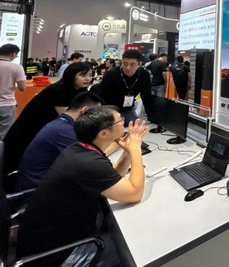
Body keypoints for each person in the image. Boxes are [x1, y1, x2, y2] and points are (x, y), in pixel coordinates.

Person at [17, 106, 148, 266]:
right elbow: (134, 193)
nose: (124, 123)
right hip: (60, 255)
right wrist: (135, 149)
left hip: (51, 240)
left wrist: (127, 151)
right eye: (120, 121)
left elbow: (113, 177)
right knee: (135, 252)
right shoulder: (88, 163)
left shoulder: (80, 149)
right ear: (103, 133)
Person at [3, 62, 93, 173]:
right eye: (83, 75)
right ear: (71, 75)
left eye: (90, 75)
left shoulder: (79, 89)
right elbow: (68, 117)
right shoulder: (60, 90)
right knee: (18, 158)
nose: (87, 78)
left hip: (46, 126)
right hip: (32, 127)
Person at [16, 92, 104, 191]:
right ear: (84, 110)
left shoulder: (62, 124)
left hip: (41, 182)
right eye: (95, 115)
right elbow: (89, 161)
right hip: (37, 190)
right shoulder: (64, 131)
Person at [99, 50, 151, 125]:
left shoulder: (144, 74)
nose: (128, 67)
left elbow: (146, 96)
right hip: (110, 110)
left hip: (128, 109)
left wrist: (151, 117)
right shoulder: (111, 74)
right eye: (125, 63)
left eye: (132, 64)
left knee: (134, 127)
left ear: (139, 64)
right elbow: (104, 97)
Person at [0, 44, 27, 140]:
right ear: (13, 54)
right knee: (4, 134)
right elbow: (22, 87)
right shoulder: (17, 67)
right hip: (7, 104)